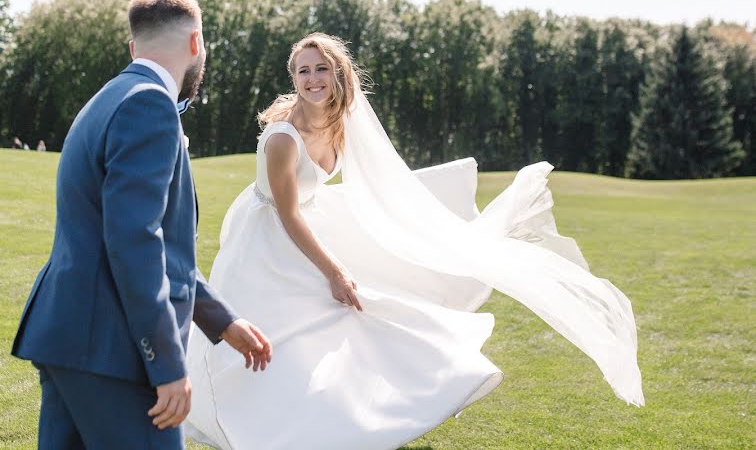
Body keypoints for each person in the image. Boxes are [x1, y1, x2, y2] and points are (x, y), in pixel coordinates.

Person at [185, 33, 643, 450]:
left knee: (346, 320)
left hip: (311, 225)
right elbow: (286, 213)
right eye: (302, 71)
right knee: (283, 328)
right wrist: (335, 270)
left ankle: (333, 420)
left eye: (320, 68)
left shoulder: (342, 127)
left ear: (337, 74)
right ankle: (259, 424)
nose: (311, 79)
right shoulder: (284, 138)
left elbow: (375, 183)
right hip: (268, 242)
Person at [12, 0, 272, 450]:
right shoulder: (149, 104)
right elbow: (135, 241)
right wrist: (167, 366)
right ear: (196, 44)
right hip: (113, 351)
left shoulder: (110, 96)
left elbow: (153, 244)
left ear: (134, 47)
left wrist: (222, 320)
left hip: (70, 339)